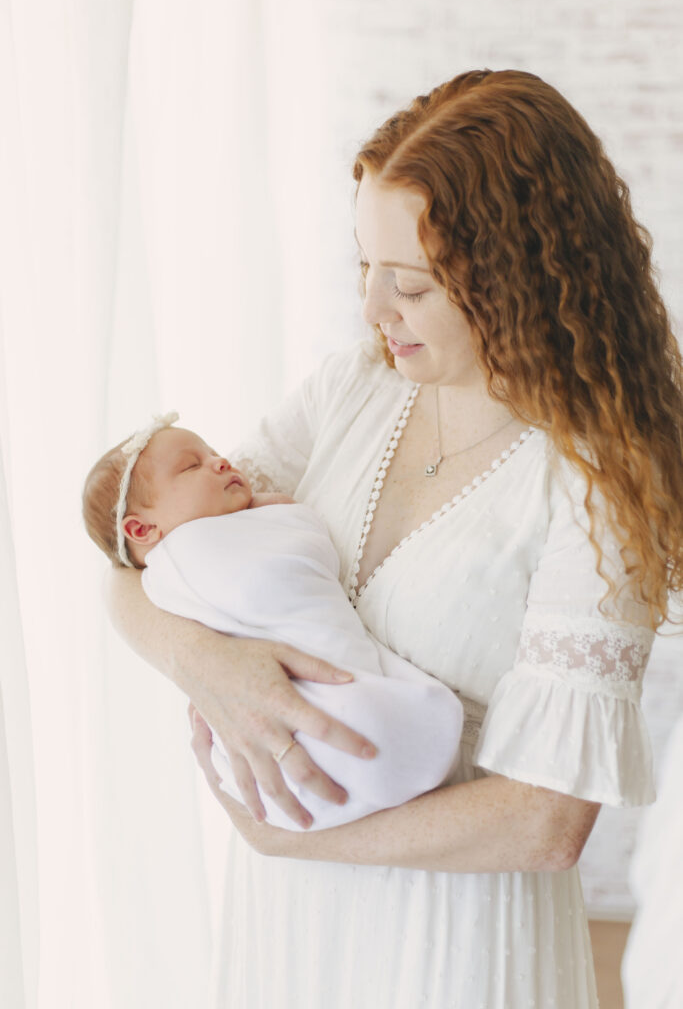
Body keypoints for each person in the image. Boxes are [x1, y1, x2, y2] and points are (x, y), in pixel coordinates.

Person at [107, 68, 683, 1009]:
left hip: (452, 943)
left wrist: (295, 838)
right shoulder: (351, 391)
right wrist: (207, 662)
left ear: (517, 280)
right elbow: (133, 562)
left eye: (409, 285)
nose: (374, 310)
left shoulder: (595, 479)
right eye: (364, 269)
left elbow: (543, 822)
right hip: (288, 921)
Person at [82, 414, 463, 831]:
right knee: (362, 721)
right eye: (193, 466)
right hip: (266, 707)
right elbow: (299, 549)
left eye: (214, 453)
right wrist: (279, 510)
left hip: (322, 663)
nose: (221, 462)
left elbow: (305, 561)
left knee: (361, 709)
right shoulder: (173, 563)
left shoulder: (237, 526)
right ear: (141, 529)